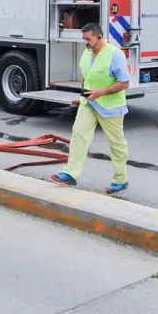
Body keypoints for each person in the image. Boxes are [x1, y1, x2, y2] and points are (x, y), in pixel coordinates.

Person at [51, 22, 131, 194]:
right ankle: (70, 174)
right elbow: (85, 77)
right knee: (78, 135)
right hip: (89, 103)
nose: (85, 42)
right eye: (83, 39)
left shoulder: (115, 55)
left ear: (99, 37)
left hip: (110, 106)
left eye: (88, 39)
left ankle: (120, 179)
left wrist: (102, 93)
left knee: (116, 144)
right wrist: (83, 96)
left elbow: (124, 83)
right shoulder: (87, 54)